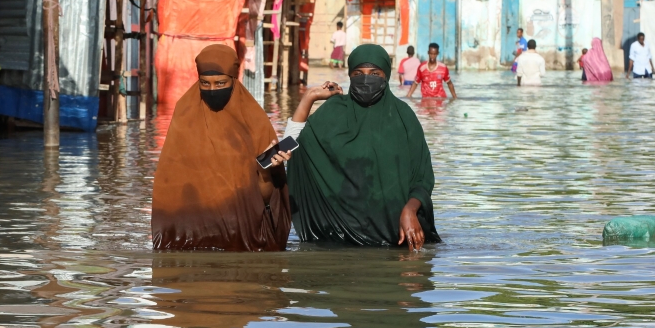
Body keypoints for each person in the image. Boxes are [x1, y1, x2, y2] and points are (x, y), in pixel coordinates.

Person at [280, 44, 441, 250]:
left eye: (374, 73)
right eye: (358, 73)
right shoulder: (334, 112)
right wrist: (309, 98)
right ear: (349, 76)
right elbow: (286, 149)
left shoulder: (403, 117)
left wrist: (410, 210)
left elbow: (423, 177)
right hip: (336, 239)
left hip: (396, 239)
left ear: (386, 75)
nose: (366, 79)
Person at [151, 44, 292, 251]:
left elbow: (267, 197)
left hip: (244, 238)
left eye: (220, 83)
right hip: (190, 238)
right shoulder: (185, 114)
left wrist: (266, 171)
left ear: (234, 80)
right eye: (205, 83)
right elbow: (170, 184)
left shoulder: (255, 120)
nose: (212, 90)